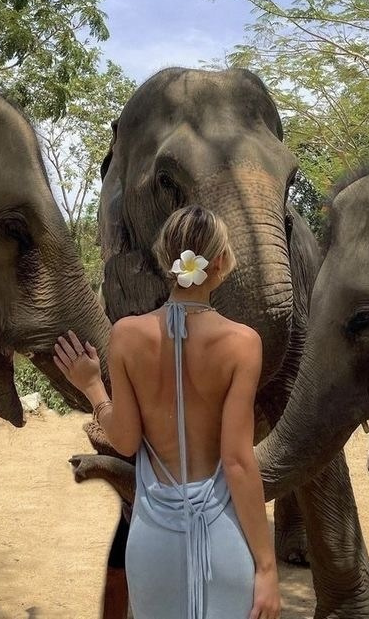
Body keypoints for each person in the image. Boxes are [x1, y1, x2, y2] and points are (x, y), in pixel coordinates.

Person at [53, 204, 281, 619]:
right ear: (221, 262)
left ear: (165, 260)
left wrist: (91, 387)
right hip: (222, 537)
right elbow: (237, 461)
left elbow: (123, 439)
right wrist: (266, 566)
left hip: (152, 541)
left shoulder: (126, 335)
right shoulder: (242, 344)